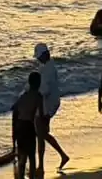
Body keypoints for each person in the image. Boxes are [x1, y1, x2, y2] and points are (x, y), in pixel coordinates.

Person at [34, 43, 70, 174]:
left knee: (40, 134)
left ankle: (41, 165)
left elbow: (45, 90)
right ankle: (62, 156)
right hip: (52, 103)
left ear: (44, 55)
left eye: (38, 57)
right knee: (42, 134)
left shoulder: (47, 70)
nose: (37, 59)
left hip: (47, 105)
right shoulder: (49, 65)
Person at [12, 71, 45, 179]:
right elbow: (41, 115)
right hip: (28, 127)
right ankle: (32, 177)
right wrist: (43, 129)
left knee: (22, 158)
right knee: (31, 157)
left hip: (19, 126)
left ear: (29, 83)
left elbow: (15, 112)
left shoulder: (22, 96)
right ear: (39, 83)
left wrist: (13, 137)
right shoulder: (38, 96)